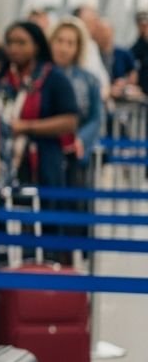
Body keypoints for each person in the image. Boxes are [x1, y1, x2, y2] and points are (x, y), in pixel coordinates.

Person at [0, 21, 79, 191]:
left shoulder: (54, 78)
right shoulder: (0, 79)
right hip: (4, 161)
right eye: (10, 43)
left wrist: (26, 127)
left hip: (44, 162)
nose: (14, 48)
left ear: (37, 46)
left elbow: (70, 121)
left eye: (21, 43)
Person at [50, 19, 103, 244]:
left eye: (70, 43)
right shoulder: (42, 76)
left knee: (74, 208)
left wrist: (82, 139)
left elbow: (95, 117)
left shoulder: (89, 80)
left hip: (76, 154)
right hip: (48, 151)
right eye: (60, 41)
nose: (63, 47)